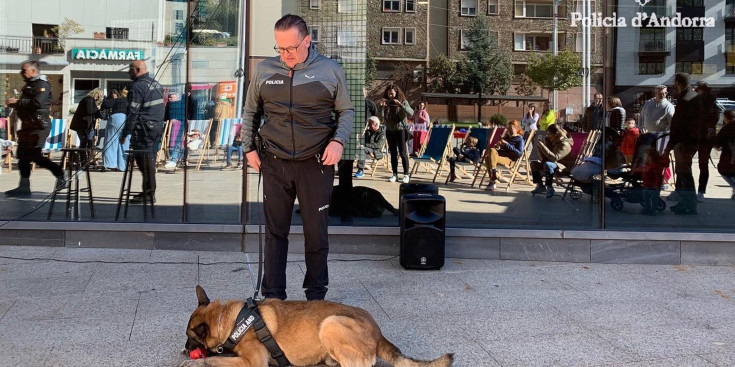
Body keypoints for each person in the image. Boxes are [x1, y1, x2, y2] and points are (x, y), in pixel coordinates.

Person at [239, 14, 354, 300]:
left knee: (316, 234)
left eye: (291, 48)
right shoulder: (265, 70)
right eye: (280, 48)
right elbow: (251, 111)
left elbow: (346, 112)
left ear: (307, 40)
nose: (285, 55)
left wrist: (339, 142)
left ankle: (316, 296)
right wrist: (248, 148)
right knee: (275, 233)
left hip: (315, 163)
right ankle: (273, 296)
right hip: (275, 162)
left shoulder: (330, 70)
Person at [5, 60, 65, 197]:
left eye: (24, 70)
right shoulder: (29, 85)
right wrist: (16, 105)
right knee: (22, 155)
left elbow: (38, 102)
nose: (22, 73)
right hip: (28, 125)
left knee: (33, 154)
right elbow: (28, 104)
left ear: (33, 71)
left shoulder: (42, 84)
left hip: (39, 125)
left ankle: (60, 173)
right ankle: (23, 186)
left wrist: (18, 102)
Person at [120, 60, 165, 204]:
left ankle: (149, 193)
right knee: (149, 159)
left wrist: (125, 133)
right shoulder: (156, 84)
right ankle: (148, 191)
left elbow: (132, 112)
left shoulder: (137, 86)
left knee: (144, 161)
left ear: (137, 70)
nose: (129, 73)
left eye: (130, 70)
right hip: (156, 126)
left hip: (143, 129)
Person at [665, 73, 702, 215]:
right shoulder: (690, 96)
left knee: (684, 173)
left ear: (678, 83)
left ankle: (689, 204)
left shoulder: (688, 98)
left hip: (685, 142)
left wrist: (673, 143)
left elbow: (680, 124)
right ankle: (685, 203)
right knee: (683, 173)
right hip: (686, 141)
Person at [640, 85, 675, 189]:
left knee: (660, 159)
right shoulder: (648, 103)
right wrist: (641, 127)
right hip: (648, 134)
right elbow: (642, 116)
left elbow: (672, 122)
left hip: (661, 137)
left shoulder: (668, 106)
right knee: (647, 158)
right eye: (660, 93)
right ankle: (648, 180)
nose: (662, 95)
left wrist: (665, 133)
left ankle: (663, 181)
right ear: (655, 93)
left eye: (664, 93)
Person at [380, 83, 413, 183]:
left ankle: (406, 174)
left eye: (392, 93)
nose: (390, 95)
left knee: (403, 153)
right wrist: (381, 107)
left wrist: (401, 105)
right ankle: (395, 174)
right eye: (389, 93)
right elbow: (380, 119)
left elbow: (411, 113)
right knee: (393, 153)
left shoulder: (403, 101)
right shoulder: (386, 103)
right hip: (390, 130)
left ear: (397, 93)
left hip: (400, 130)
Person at [530, 123, 574, 198]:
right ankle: (540, 186)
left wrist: (543, 147)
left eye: (549, 134)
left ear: (556, 134)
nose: (548, 136)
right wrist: (540, 147)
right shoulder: (553, 142)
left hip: (563, 167)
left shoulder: (565, 144)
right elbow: (543, 158)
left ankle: (549, 187)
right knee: (534, 164)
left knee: (548, 164)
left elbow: (554, 158)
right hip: (554, 164)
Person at [694, 81, 718, 202]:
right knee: (703, 165)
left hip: (696, 136)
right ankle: (701, 191)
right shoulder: (713, 105)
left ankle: (685, 190)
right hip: (705, 138)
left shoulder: (699, 103)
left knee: (686, 163)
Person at [483, 120, 525, 191]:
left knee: (489, 157)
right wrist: (498, 146)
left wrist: (507, 144)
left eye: (511, 129)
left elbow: (519, 154)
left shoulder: (520, 139)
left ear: (516, 129)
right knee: (491, 151)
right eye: (508, 129)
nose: (509, 131)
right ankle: (493, 175)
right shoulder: (506, 138)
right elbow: (499, 150)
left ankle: (492, 181)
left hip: (510, 160)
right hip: (501, 157)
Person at [70, 88, 104, 165]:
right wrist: (97, 109)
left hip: (86, 125)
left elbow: (95, 113)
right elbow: (89, 111)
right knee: (84, 143)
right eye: (99, 96)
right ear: (97, 94)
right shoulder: (88, 100)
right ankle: (83, 161)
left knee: (89, 143)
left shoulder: (90, 100)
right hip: (82, 125)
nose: (99, 99)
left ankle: (88, 159)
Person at [634, 147, 669, 215]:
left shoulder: (655, 167)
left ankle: (652, 210)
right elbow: (640, 169)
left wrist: (657, 185)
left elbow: (658, 177)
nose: (644, 158)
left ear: (651, 157)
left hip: (653, 187)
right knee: (646, 198)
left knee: (654, 199)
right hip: (647, 186)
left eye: (646, 156)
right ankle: (647, 208)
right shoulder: (646, 165)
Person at [100, 89, 129, 171]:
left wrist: (105, 99)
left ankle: (110, 164)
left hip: (115, 118)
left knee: (111, 141)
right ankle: (123, 166)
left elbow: (105, 104)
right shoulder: (131, 101)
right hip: (126, 119)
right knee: (124, 143)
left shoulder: (117, 100)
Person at [715, 109, 735, 200]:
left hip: (729, 155)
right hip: (730, 154)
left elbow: (718, 142)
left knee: (723, 170)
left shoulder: (727, 128)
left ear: (726, 118)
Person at [164, 93, 186, 169]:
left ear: (177, 98)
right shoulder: (169, 105)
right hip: (169, 127)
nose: (169, 99)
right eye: (169, 97)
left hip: (178, 126)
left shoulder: (179, 104)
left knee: (177, 141)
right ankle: (173, 158)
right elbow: (166, 115)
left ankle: (175, 159)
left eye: (171, 97)